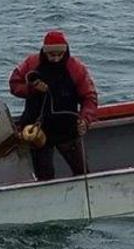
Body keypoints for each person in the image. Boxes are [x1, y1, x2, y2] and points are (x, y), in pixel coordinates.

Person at [9, 29, 98, 180]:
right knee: (44, 176)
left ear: (66, 52)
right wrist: (31, 88)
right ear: (44, 51)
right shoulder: (31, 63)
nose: (56, 59)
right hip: (38, 130)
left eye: (60, 55)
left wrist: (85, 120)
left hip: (67, 129)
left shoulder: (76, 68)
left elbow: (89, 98)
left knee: (82, 173)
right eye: (51, 55)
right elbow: (14, 84)